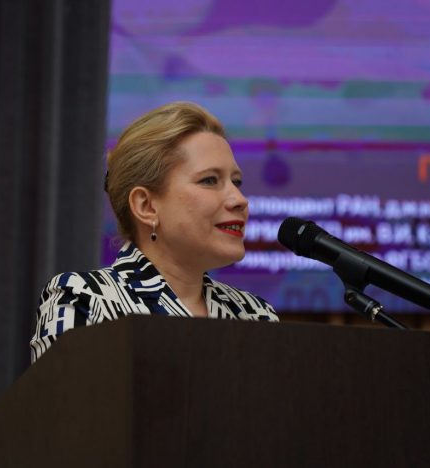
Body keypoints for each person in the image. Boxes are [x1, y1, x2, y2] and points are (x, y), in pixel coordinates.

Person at [30, 102, 279, 363]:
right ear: (146, 206)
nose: (239, 199)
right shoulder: (83, 299)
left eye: (236, 182)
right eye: (209, 180)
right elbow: (64, 391)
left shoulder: (255, 314)